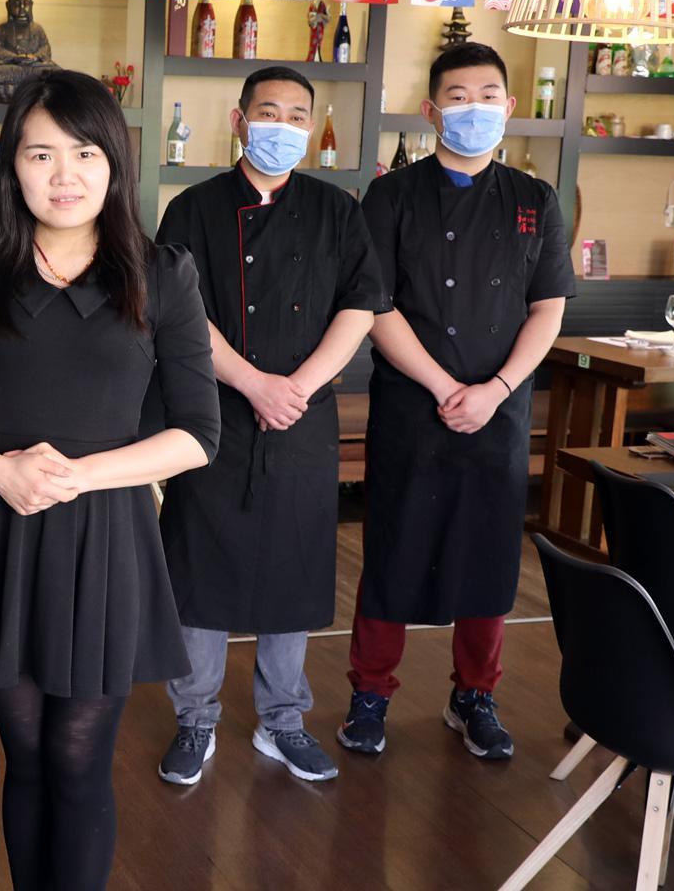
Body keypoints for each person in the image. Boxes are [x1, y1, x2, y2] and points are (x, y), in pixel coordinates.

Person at [0, 70, 220, 889]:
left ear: (114, 161)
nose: (63, 174)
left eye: (84, 153)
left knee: (80, 761)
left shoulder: (162, 274)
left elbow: (198, 435)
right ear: (11, 165)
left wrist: (79, 477)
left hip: (107, 542)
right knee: (26, 758)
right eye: (40, 153)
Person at [338, 42, 575, 761]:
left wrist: (495, 390)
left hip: (499, 410)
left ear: (510, 106)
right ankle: (370, 694)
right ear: (432, 110)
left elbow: (549, 308)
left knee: (489, 555)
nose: (475, 108)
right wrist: (446, 388)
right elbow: (376, 304)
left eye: (489, 95)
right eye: (459, 96)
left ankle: (475, 695)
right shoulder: (392, 195)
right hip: (414, 408)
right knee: (393, 548)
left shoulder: (535, 200)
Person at [153, 66, 383, 786]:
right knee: (200, 569)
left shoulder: (338, 211)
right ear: (239, 118)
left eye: (295, 115)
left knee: (294, 569)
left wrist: (298, 388)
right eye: (267, 112)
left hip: (303, 419)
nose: (281, 125)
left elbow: (360, 306)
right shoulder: (191, 209)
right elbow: (181, 317)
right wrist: (253, 382)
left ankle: (283, 722)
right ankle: (195, 719)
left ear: (310, 127)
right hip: (214, 415)